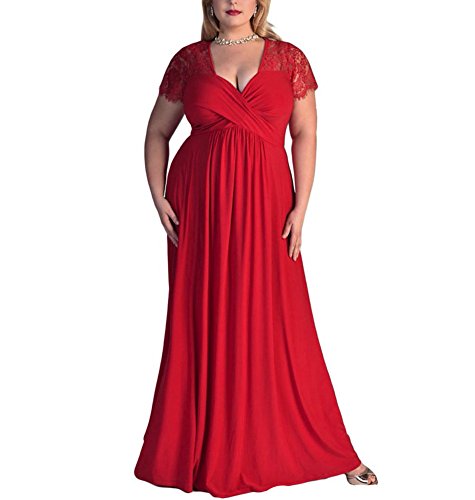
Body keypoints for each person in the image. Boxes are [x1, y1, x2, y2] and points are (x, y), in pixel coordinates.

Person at [134, 0, 378, 496]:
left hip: (267, 201)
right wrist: (158, 196)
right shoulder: (189, 60)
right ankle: (206, 451)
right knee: (203, 315)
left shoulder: (289, 58)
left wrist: (300, 207)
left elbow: (305, 133)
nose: (233, 0)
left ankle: (330, 448)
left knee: (281, 317)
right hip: (200, 205)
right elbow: (158, 131)